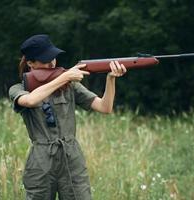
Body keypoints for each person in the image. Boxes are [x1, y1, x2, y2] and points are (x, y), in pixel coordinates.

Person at [8, 34, 127, 200]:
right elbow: (31, 100)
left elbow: (104, 107)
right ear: (30, 63)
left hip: (71, 157)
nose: (52, 63)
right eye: (45, 60)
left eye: (53, 58)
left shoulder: (69, 85)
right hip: (41, 160)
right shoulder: (18, 88)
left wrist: (111, 79)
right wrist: (65, 76)